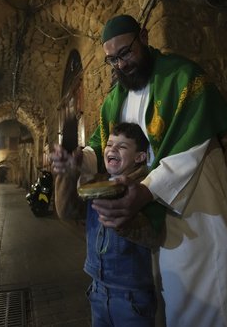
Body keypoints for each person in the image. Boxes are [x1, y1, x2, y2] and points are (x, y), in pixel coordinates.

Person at [50, 14, 227, 326]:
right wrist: (77, 160)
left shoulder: (182, 77)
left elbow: (192, 142)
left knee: (214, 306)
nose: (120, 64)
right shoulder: (113, 100)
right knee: (171, 307)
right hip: (154, 221)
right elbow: (99, 145)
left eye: (126, 52)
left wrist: (146, 190)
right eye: (112, 59)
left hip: (199, 212)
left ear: (144, 37)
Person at [55, 122, 164, 327]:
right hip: (97, 289)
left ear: (140, 156)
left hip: (132, 297)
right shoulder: (96, 184)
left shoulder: (143, 190)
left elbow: (152, 235)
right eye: (109, 145)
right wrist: (67, 174)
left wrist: (123, 219)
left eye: (122, 146)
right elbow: (67, 211)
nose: (112, 149)